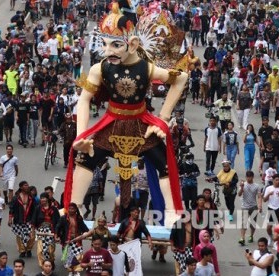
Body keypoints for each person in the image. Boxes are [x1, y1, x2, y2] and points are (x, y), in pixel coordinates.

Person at [63, 3, 188, 228]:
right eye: (104, 44)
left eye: (116, 45)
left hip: (141, 124)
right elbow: (84, 99)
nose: (108, 51)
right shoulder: (98, 69)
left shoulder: (147, 68)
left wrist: (162, 119)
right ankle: (75, 205)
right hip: (111, 123)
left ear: (133, 44)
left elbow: (181, 78)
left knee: (165, 163)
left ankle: (171, 210)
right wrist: (81, 135)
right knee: (83, 157)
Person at [55, 203, 89, 275]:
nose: (71, 210)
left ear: (76, 210)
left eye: (73, 209)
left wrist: (87, 233)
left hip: (77, 240)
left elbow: (84, 228)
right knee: (69, 256)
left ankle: (77, 271)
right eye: (69, 208)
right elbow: (57, 227)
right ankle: (70, 271)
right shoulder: (63, 218)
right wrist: (56, 236)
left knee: (78, 255)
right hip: (67, 240)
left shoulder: (79, 218)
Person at [9, 181, 36, 258]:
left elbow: (35, 209)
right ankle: (22, 251)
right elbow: (11, 209)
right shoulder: (16, 198)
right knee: (20, 236)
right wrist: (10, 219)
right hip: (19, 219)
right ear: (21, 187)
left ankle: (29, 249)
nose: (27, 186)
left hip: (29, 220)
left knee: (31, 236)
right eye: (25, 185)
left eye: (27, 185)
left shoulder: (31, 198)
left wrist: (35, 219)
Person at [34, 192, 60, 269]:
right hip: (41, 231)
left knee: (50, 250)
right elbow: (33, 220)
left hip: (51, 232)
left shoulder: (54, 209)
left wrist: (57, 234)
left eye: (44, 198)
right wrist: (33, 231)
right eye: (41, 198)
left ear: (47, 199)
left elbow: (58, 222)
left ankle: (50, 263)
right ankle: (43, 265)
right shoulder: (37, 208)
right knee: (40, 250)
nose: (42, 200)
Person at [238, 171, 262, 246]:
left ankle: (251, 235)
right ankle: (242, 238)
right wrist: (241, 188)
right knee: (243, 223)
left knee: (253, 224)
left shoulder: (257, 186)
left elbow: (259, 196)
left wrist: (260, 205)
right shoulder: (243, 185)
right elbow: (239, 194)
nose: (248, 178)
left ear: (252, 177)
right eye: (247, 177)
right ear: (246, 177)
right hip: (244, 206)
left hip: (253, 206)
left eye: (250, 177)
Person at [263, 174, 279, 246]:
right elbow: (264, 200)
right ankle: (270, 237)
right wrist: (269, 194)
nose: (278, 181)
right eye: (276, 180)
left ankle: (277, 241)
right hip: (271, 208)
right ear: (273, 180)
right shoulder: (269, 188)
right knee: (269, 227)